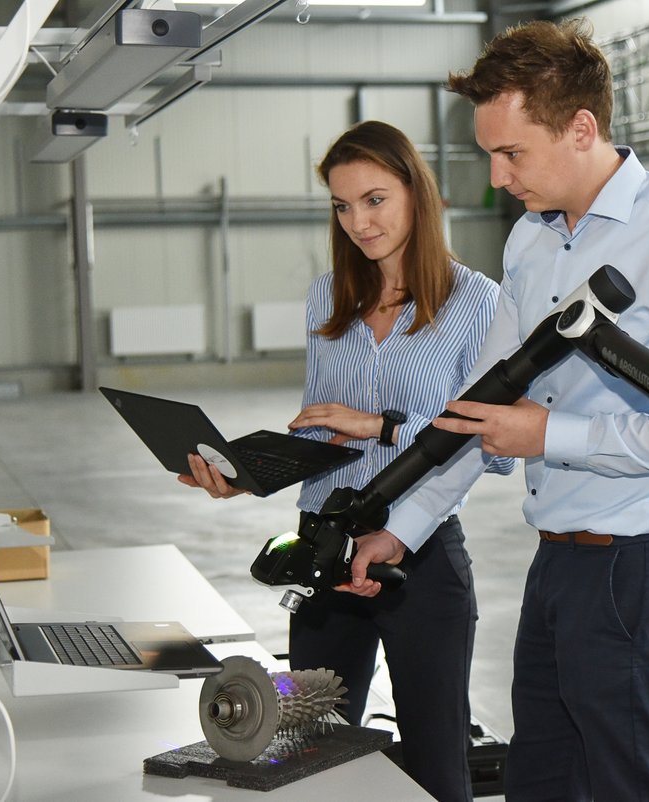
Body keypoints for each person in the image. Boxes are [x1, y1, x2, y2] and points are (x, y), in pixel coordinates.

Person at [343, 19, 649, 802]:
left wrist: (550, 435)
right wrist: (400, 529)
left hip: (643, 562)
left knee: (627, 786)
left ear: (581, 129)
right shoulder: (532, 244)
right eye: (490, 155)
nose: (499, 178)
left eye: (512, 154)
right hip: (560, 558)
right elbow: (480, 407)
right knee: (541, 782)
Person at [181, 119, 514, 802]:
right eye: (342, 205)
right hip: (324, 552)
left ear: (416, 195)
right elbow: (324, 436)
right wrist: (250, 475)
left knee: (436, 769)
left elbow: (491, 445)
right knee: (311, 759)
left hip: (416, 558)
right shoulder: (327, 297)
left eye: (374, 199)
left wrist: (383, 426)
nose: (358, 221)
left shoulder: (477, 302)